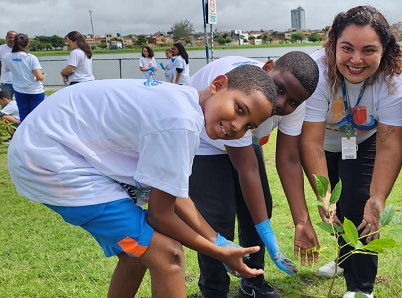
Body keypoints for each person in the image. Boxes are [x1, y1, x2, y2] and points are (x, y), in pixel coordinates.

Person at [7, 65, 279, 297]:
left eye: (248, 126)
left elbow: (172, 194)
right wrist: (218, 252)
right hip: (51, 160)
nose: (237, 127)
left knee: (136, 255)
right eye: (239, 109)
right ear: (219, 84)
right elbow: (161, 216)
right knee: (167, 254)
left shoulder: (182, 101)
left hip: (48, 148)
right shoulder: (181, 121)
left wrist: (217, 240)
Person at [186, 51, 320, 298]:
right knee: (217, 218)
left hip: (243, 138)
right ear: (268, 68)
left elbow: (289, 160)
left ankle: (253, 284)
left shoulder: (294, 102)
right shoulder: (246, 93)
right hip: (206, 137)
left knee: (259, 208)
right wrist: (269, 236)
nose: (281, 104)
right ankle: (214, 290)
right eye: (279, 89)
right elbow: (247, 168)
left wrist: (301, 221)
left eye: (292, 102)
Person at [300, 6, 402, 298]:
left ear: (384, 49)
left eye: (368, 50)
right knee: (334, 207)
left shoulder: (394, 78)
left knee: (360, 202)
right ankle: (341, 260)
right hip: (323, 146)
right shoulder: (318, 72)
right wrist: (323, 197)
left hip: (366, 143)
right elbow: (309, 142)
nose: (356, 60)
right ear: (334, 43)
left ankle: (361, 287)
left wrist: (378, 197)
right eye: (347, 48)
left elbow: (391, 143)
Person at [2, 33, 45, 121]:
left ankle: (24, 133)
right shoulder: (31, 58)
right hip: (35, 91)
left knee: (23, 115)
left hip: (19, 90)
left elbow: (8, 69)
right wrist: (43, 77)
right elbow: (39, 77)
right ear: (27, 45)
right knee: (36, 116)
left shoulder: (7, 57)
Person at [0, 30, 17, 99]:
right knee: (6, 103)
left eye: (14, 37)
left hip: (19, 82)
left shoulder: (20, 48)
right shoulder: (1, 49)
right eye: (10, 37)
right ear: (6, 38)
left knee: (20, 104)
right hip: (6, 82)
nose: (12, 39)